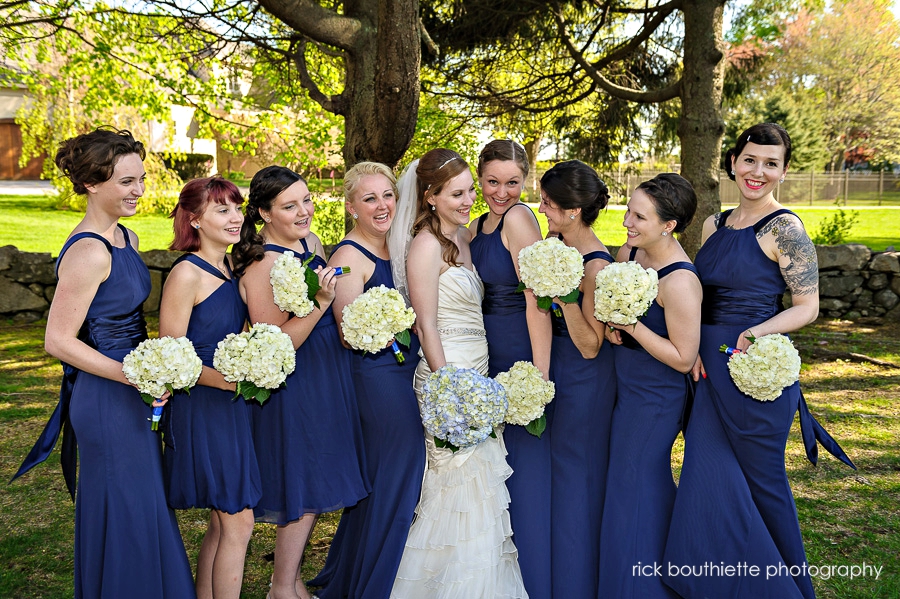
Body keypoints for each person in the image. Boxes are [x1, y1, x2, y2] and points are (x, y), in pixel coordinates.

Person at [663, 123, 853, 599]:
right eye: (750, 160)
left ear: (784, 172)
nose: (758, 171)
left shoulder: (785, 229)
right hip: (707, 374)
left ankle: (791, 589)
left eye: (771, 163)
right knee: (707, 476)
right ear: (733, 162)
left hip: (753, 378)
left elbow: (806, 306)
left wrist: (755, 333)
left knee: (762, 485)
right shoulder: (714, 225)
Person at [13, 128, 196, 597]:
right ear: (93, 184)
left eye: (140, 178)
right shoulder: (90, 250)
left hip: (133, 388)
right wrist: (135, 375)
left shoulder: (126, 237)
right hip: (106, 395)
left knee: (143, 504)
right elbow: (57, 340)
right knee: (126, 507)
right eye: (126, 182)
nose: (138, 190)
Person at [389, 149, 528, 598]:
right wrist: (448, 385)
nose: (470, 199)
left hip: (479, 371)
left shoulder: (464, 239)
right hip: (446, 374)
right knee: (453, 483)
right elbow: (425, 322)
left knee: (482, 484)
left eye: (471, 189)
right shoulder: (426, 246)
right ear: (429, 196)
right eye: (457, 193)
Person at [233, 166, 368, 599]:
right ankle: (282, 586)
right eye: (290, 206)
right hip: (297, 382)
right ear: (264, 213)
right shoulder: (261, 264)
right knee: (303, 483)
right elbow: (275, 344)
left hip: (328, 372)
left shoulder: (310, 243)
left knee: (318, 476)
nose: (305, 211)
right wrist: (321, 304)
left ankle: (287, 583)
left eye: (307, 200)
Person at [308, 162, 425, 599]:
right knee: (400, 471)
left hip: (403, 372)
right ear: (351, 206)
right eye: (370, 198)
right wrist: (396, 324)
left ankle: (359, 570)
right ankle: (373, 583)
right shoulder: (348, 258)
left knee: (383, 479)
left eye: (388, 196)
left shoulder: (397, 246)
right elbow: (349, 332)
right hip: (376, 380)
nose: (382, 206)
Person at [597, 174, 701, 599]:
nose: (626, 222)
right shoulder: (631, 253)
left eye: (639, 216)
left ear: (668, 225)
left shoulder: (680, 281)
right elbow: (614, 316)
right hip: (623, 387)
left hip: (656, 399)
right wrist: (613, 328)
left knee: (635, 485)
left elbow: (684, 357)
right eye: (628, 210)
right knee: (624, 485)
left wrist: (633, 327)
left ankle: (644, 587)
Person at [159, 176, 261, 599]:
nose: (236, 217)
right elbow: (172, 356)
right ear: (195, 219)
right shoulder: (186, 273)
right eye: (222, 209)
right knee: (239, 520)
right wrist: (230, 381)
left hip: (230, 405)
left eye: (237, 207)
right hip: (203, 404)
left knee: (224, 521)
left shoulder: (230, 267)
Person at [469, 139, 552, 596]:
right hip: (485, 347)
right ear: (480, 178)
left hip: (518, 342)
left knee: (523, 463)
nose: (502, 192)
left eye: (513, 183)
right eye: (492, 182)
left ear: (527, 179)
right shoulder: (478, 223)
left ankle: (533, 570)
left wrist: (538, 377)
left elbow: (536, 299)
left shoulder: (520, 218)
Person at [538, 159, 617, 599]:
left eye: (548, 204)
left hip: (585, 378)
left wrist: (565, 297)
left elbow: (591, 344)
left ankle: (578, 583)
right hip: (560, 370)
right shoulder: (558, 244)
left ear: (572, 211)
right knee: (561, 479)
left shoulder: (595, 265)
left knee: (576, 481)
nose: (542, 210)